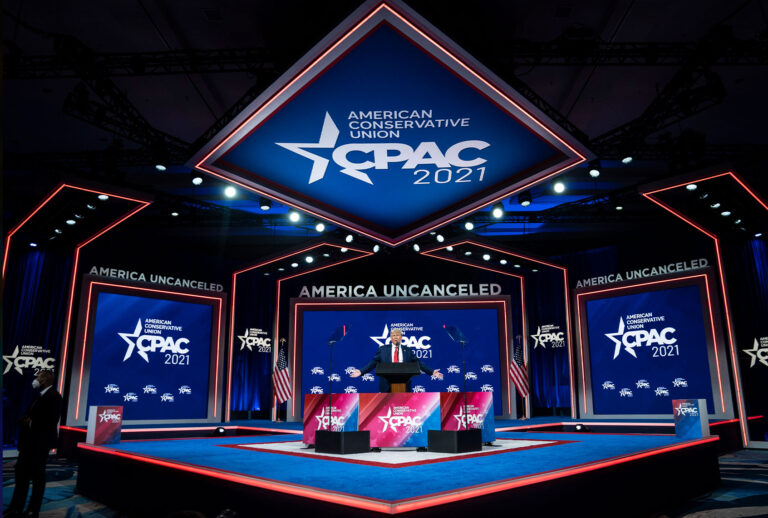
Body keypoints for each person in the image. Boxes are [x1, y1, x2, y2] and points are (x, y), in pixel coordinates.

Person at [5, 370, 63, 518]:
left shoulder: (54, 396)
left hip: (40, 445)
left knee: (37, 478)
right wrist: (25, 421)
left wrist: (31, 422)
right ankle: (16, 507)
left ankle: (33, 510)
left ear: (45, 379)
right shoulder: (37, 396)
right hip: (27, 445)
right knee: (21, 477)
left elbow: (51, 421)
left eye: (38, 377)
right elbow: (28, 415)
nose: (36, 379)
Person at [350, 328, 442, 391]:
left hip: (404, 384)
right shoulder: (383, 349)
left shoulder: (408, 350)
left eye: (397, 335)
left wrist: (432, 371)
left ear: (401, 337)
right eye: (393, 335)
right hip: (386, 385)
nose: (395, 337)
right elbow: (373, 362)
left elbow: (419, 363)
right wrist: (361, 371)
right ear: (390, 337)